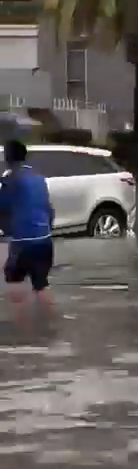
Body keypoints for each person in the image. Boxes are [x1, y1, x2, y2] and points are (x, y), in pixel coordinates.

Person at [0, 140, 56, 329]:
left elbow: (2, 208)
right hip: (45, 241)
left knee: (13, 280)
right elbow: (50, 210)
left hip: (24, 242)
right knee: (41, 284)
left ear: (8, 158)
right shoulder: (39, 178)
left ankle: (22, 330)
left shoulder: (11, 180)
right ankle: (51, 324)